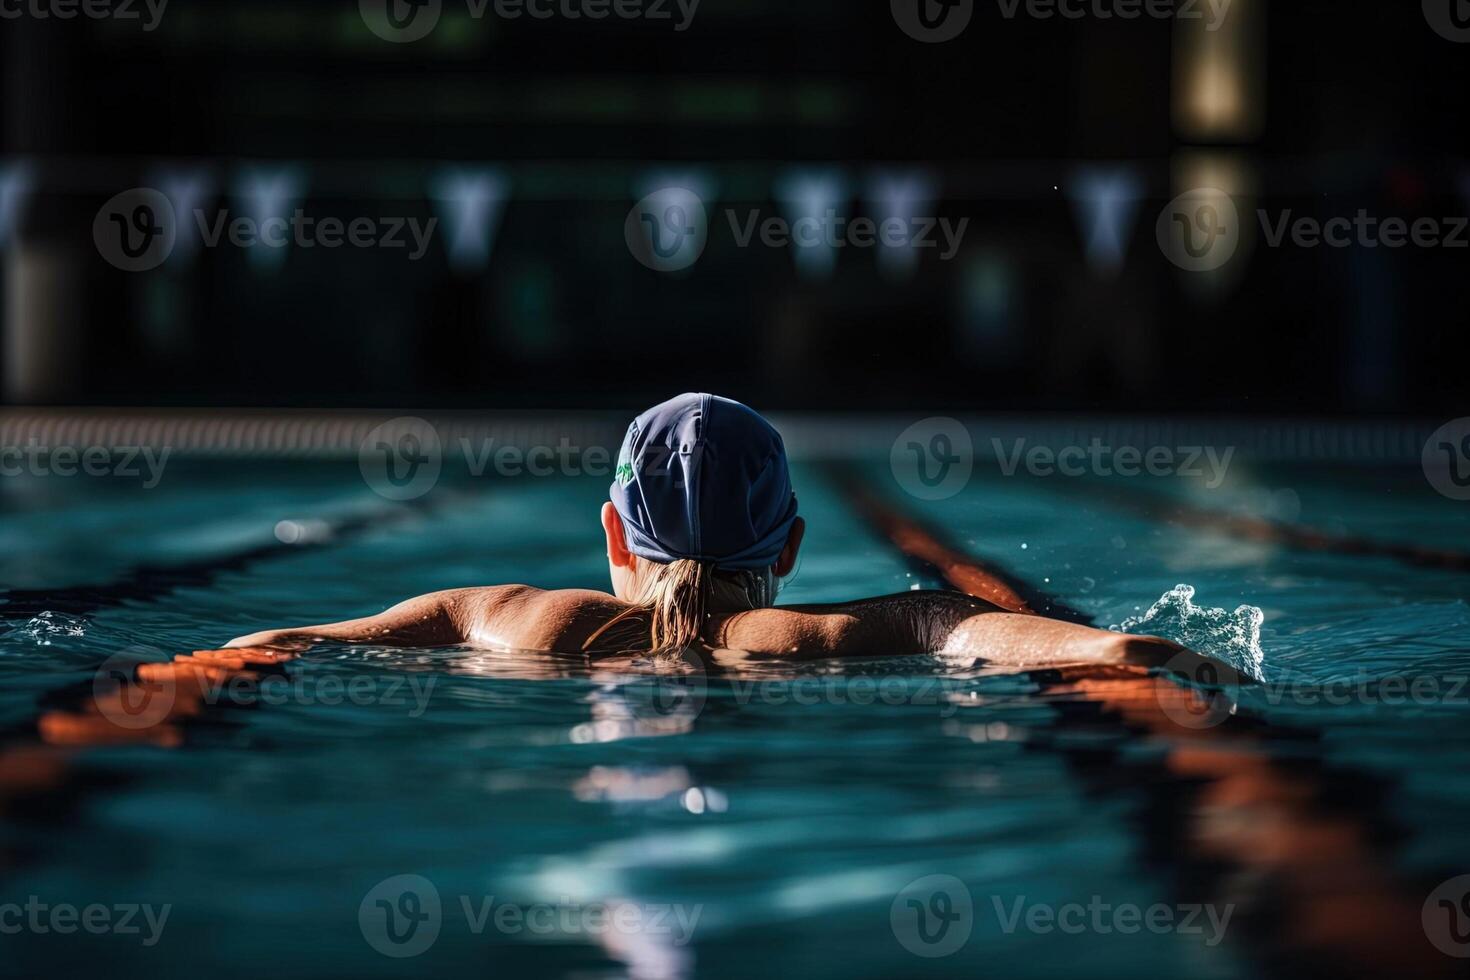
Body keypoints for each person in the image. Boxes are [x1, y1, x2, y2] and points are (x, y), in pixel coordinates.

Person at [226, 394, 1190, 668]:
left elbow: (279, 645)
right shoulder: (828, 636)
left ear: (614, 531)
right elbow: (975, 630)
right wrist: (1124, 646)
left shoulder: (510, 615)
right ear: (790, 549)